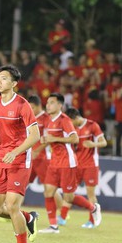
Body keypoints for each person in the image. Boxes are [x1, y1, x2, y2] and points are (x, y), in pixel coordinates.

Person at [0, 65, 40, 243]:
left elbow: (35, 136)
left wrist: (15, 152)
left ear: (14, 84)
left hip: (20, 159)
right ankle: (28, 217)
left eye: (4, 78)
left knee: (12, 205)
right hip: (2, 159)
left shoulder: (23, 105)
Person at [37, 93, 79, 234]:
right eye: (47, 102)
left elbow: (75, 139)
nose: (48, 105)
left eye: (52, 102)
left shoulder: (64, 120)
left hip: (67, 162)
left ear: (60, 105)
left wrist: (54, 139)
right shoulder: (49, 120)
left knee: (68, 197)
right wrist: (45, 141)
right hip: (54, 162)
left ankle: (92, 208)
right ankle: (53, 226)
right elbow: (51, 139)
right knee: (48, 192)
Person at [66, 107, 106, 228]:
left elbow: (104, 142)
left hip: (90, 165)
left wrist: (93, 144)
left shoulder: (92, 125)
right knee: (69, 192)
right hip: (77, 165)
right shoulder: (73, 130)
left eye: (70, 121)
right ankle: (61, 218)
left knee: (90, 194)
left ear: (76, 118)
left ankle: (92, 221)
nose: (69, 124)